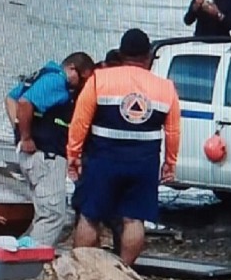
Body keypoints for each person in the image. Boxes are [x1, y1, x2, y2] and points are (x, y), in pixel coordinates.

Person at [67, 28, 181, 265]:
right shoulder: (166, 88)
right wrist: (170, 163)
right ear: (148, 56)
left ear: (120, 53)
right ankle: (124, 270)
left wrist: (74, 154)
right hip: (144, 162)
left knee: (89, 216)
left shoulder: (100, 79)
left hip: (104, 159)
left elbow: (80, 122)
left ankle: (82, 270)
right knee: (134, 219)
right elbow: (173, 131)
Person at [4, 52, 96, 247]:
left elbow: (11, 98)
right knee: (53, 216)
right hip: (46, 157)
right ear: (72, 69)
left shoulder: (41, 75)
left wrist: (18, 131)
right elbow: (24, 103)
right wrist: (26, 136)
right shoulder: (56, 81)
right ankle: (29, 262)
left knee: (43, 213)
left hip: (34, 157)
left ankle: (18, 251)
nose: (82, 85)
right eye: (83, 79)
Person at [71, 48, 124, 254]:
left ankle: (90, 252)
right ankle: (91, 252)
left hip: (95, 153)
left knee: (90, 209)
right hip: (95, 153)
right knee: (91, 210)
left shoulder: (94, 82)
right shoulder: (96, 84)